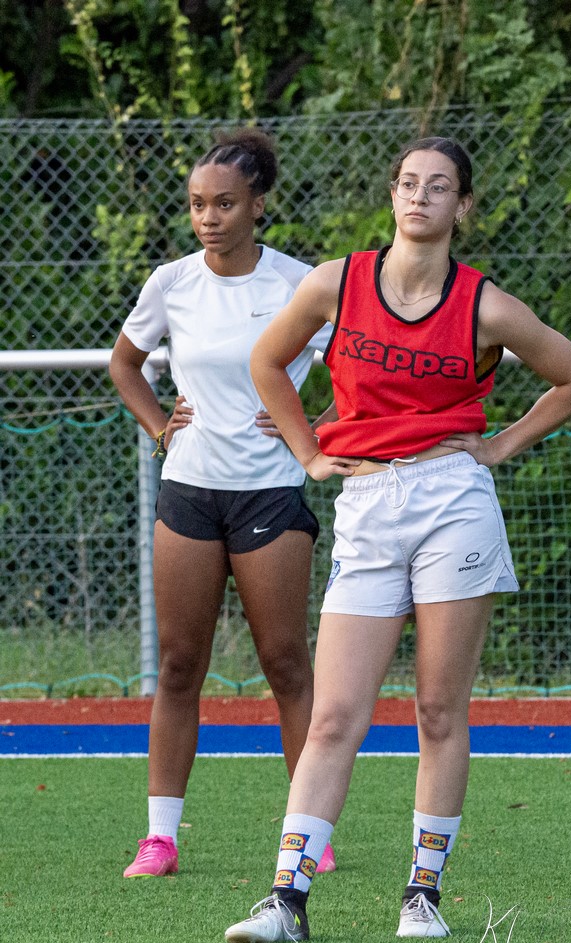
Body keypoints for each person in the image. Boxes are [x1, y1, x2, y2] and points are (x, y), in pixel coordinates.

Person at [223, 135, 571, 943]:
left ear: (463, 205)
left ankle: (420, 893)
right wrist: (310, 454)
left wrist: (497, 447)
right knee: (333, 716)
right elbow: (266, 362)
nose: (418, 197)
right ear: (391, 195)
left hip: (451, 500)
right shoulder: (336, 283)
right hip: (364, 500)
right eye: (406, 183)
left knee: (437, 708)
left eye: (437, 187)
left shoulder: (484, 305)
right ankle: (285, 899)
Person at [109, 127, 337, 879]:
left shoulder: (301, 285)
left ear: (258, 205)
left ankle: (309, 830)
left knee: (285, 665)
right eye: (198, 204)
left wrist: (323, 426)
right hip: (189, 492)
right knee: (178, 666)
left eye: (225, 203)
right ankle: (160, 839)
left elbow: (362, 366)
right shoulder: (171, 282)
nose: (208, 217)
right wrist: (157, 427)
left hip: (272, 491)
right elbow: (126, 362)